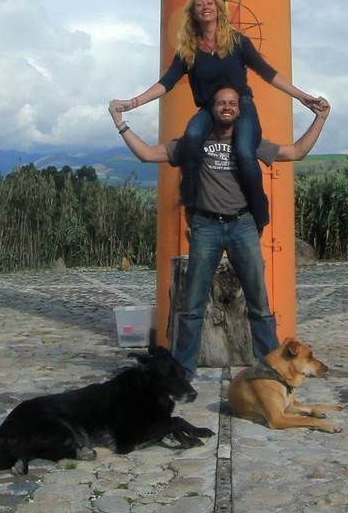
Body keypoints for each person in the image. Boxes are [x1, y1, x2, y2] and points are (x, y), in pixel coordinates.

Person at [110, 84, 330, 377]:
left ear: (240, 110)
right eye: (221, 102)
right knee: (192, 307)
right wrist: (120, 123)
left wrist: (320, 118)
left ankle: (273, 372)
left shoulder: (249, 141)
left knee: (259, 305)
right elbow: (148, 155)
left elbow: (296, 152)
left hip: (243, 225)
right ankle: (182, 374)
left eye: (232, 103)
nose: (227, 106)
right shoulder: (193, 142)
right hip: (205, 226)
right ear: (211, 109)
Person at [108, 0, 324, 177]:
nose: (205, 7)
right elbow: (166, 82)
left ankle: (254, 204)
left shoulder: (237, 41)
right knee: (192, 137)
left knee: (245, 149)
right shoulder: (188, 50)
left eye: (209, 3)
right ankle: (191, 194)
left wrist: (301, 96)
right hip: (209, 108)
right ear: (193, 12)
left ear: (218, 9)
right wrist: (133, 103)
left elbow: (268, 73)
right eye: (199, 5)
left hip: (241, 105)